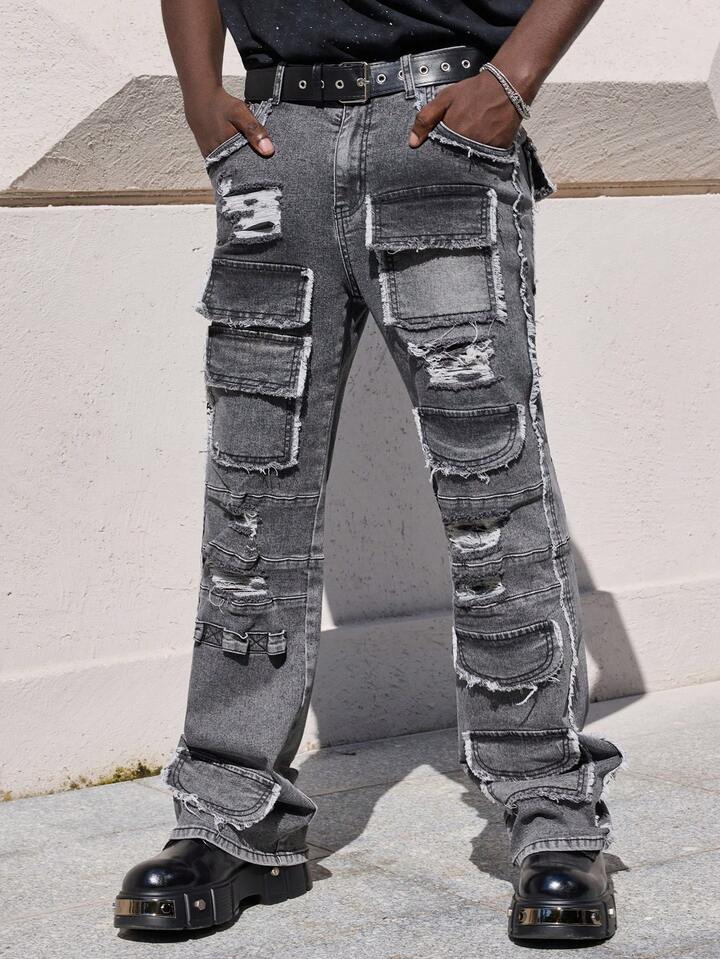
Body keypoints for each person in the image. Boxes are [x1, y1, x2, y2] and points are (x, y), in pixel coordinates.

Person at [113, 0, 625, 943]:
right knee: (251, 490)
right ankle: (231, 814)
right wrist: (196, 91)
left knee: (492, 481)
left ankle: (554, 814)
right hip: (275, 143)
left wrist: (512, 83)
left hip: (440, 125)